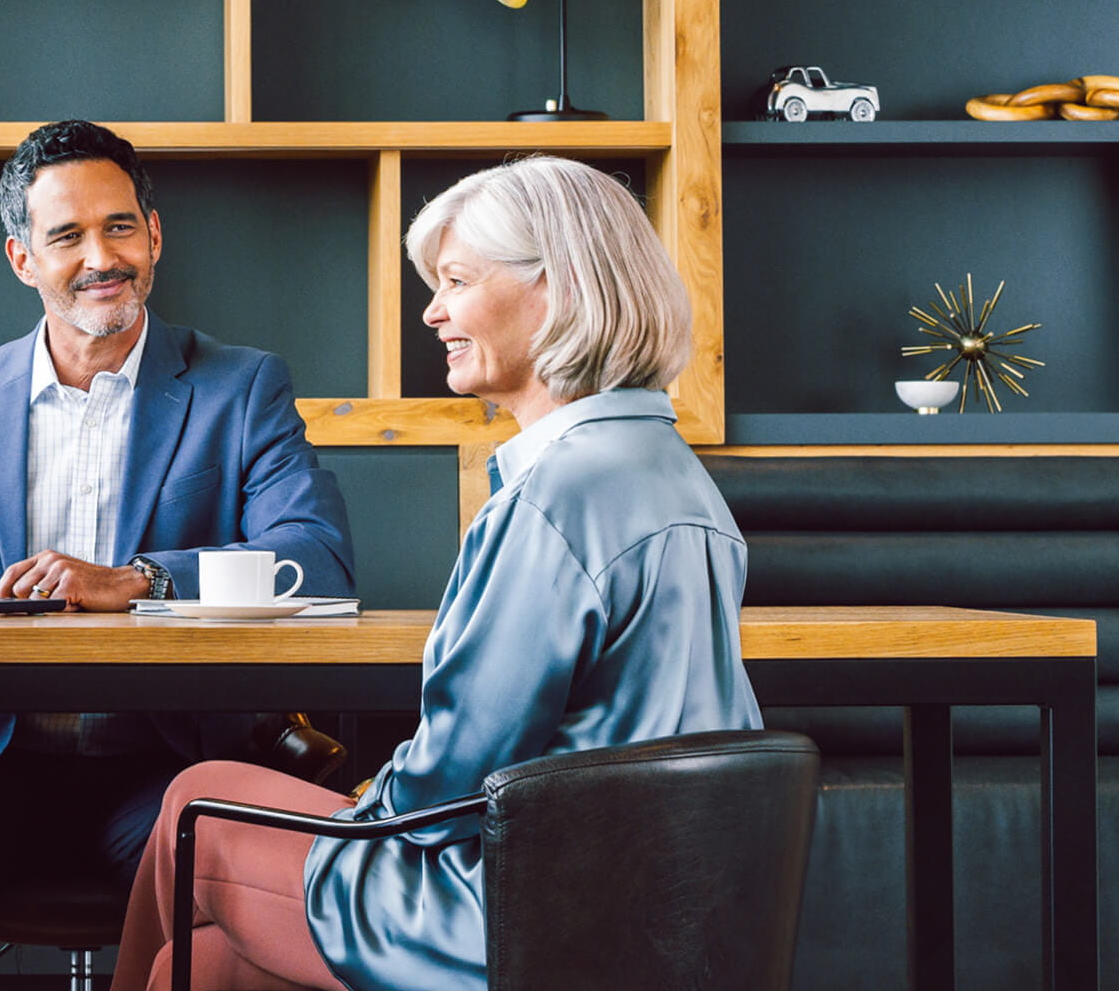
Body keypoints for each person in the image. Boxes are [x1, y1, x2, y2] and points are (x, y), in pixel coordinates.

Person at [109, 155, 766, 991]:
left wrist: (368, 804)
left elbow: (455, 769)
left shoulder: (558, 494)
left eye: (455, 281)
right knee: (195, 969)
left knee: (194, 801)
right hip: (655, 903)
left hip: (522, 912)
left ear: (557, 287)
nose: (433, 311)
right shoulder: (670, 469)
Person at [0, 119, 355, 990]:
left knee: (224, 895)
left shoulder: (240, 387)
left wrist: (141, 581)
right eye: (67, 236)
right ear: (23, 258)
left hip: (159, 761)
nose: (102, 256)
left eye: (120, 226)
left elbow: (317, 559)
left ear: (155, 234)